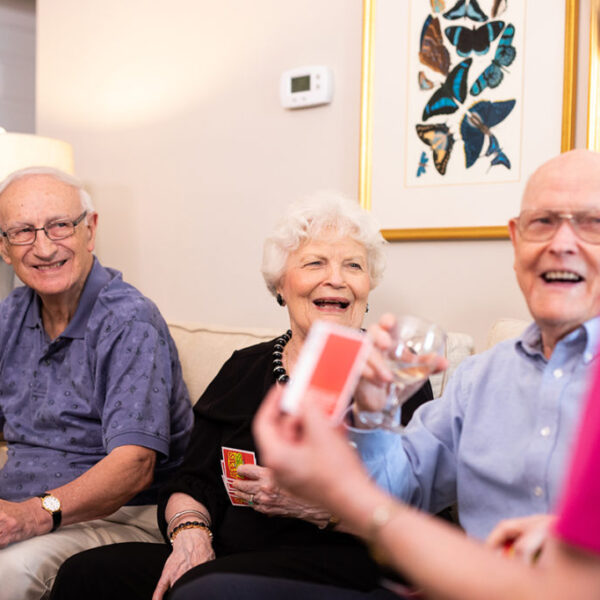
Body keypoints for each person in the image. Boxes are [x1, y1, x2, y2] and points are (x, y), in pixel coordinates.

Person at [165, 148, 600, 599]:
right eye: (543, 222)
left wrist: (317, 503)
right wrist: (372, 415)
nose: (561, 243)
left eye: (591, 223)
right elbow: (401, 495)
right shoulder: (478, 380)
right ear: (516, 241)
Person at [49, 193, 433, 600]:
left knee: (203, 588)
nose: (336, 278)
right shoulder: (245, 367)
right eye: (315, 263)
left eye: (353, 265)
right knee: (87, 574)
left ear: (367, 287)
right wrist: (191, 533)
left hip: (343, 562)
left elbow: (420, 511)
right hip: (231, 552)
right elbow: (192, 479)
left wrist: (317, 506)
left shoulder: (393, 374)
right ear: (281, 285)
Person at [0, 167, 193, 600]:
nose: (45, 247)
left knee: (5, 575)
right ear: (4, 248)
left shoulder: (129, 321)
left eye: (60, 225)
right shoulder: (9, 317)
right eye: (23, 232)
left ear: (90, 229)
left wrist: (32, 515)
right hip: (20, 510)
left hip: (121, 517)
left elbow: (134, 466)